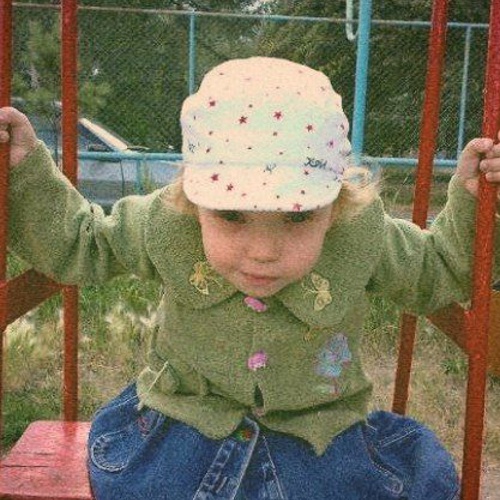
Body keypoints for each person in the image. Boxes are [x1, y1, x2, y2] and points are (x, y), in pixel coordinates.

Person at [1, 57, 500, 500]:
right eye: (231, 216)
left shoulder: (358, 234)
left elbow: (438, 270)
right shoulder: (167, 223)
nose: (263, 252)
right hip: (182, 431)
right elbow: (82, 243)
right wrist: (24, 167)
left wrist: (473, 199)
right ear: (194, 199)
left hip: (319, 439)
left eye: (298, 216)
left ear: (337, 204)